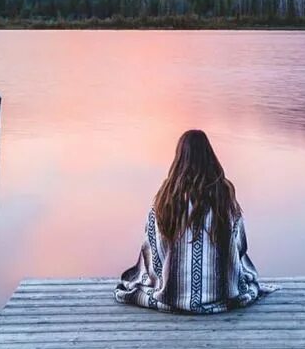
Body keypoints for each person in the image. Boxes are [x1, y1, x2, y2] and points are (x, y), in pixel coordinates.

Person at [114, 129, 274, 313]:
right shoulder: (224, 196)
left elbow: (153, 249)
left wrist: (164, 274)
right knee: (242, 268)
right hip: (220, 294)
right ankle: (210, 286)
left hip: (172, 296)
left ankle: (181, 289)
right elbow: (239, 247)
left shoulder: (165, 198)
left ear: (179, 158)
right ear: (210, 156)